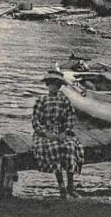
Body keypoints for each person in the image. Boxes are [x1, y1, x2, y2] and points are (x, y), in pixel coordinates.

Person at [31, 70, 84, 199]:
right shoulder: (41, 100)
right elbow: (36, 121)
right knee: (53, 148)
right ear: (47, 85)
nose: (54, 87)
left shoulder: (65, 100)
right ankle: (61, 186)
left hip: (61, 132)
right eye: (51, 84)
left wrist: (65, 132)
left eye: (56, 85)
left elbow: (70, 118)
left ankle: (70, 186)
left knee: (70, 148)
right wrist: (46, 133)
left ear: (59, 86)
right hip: (45, 134)